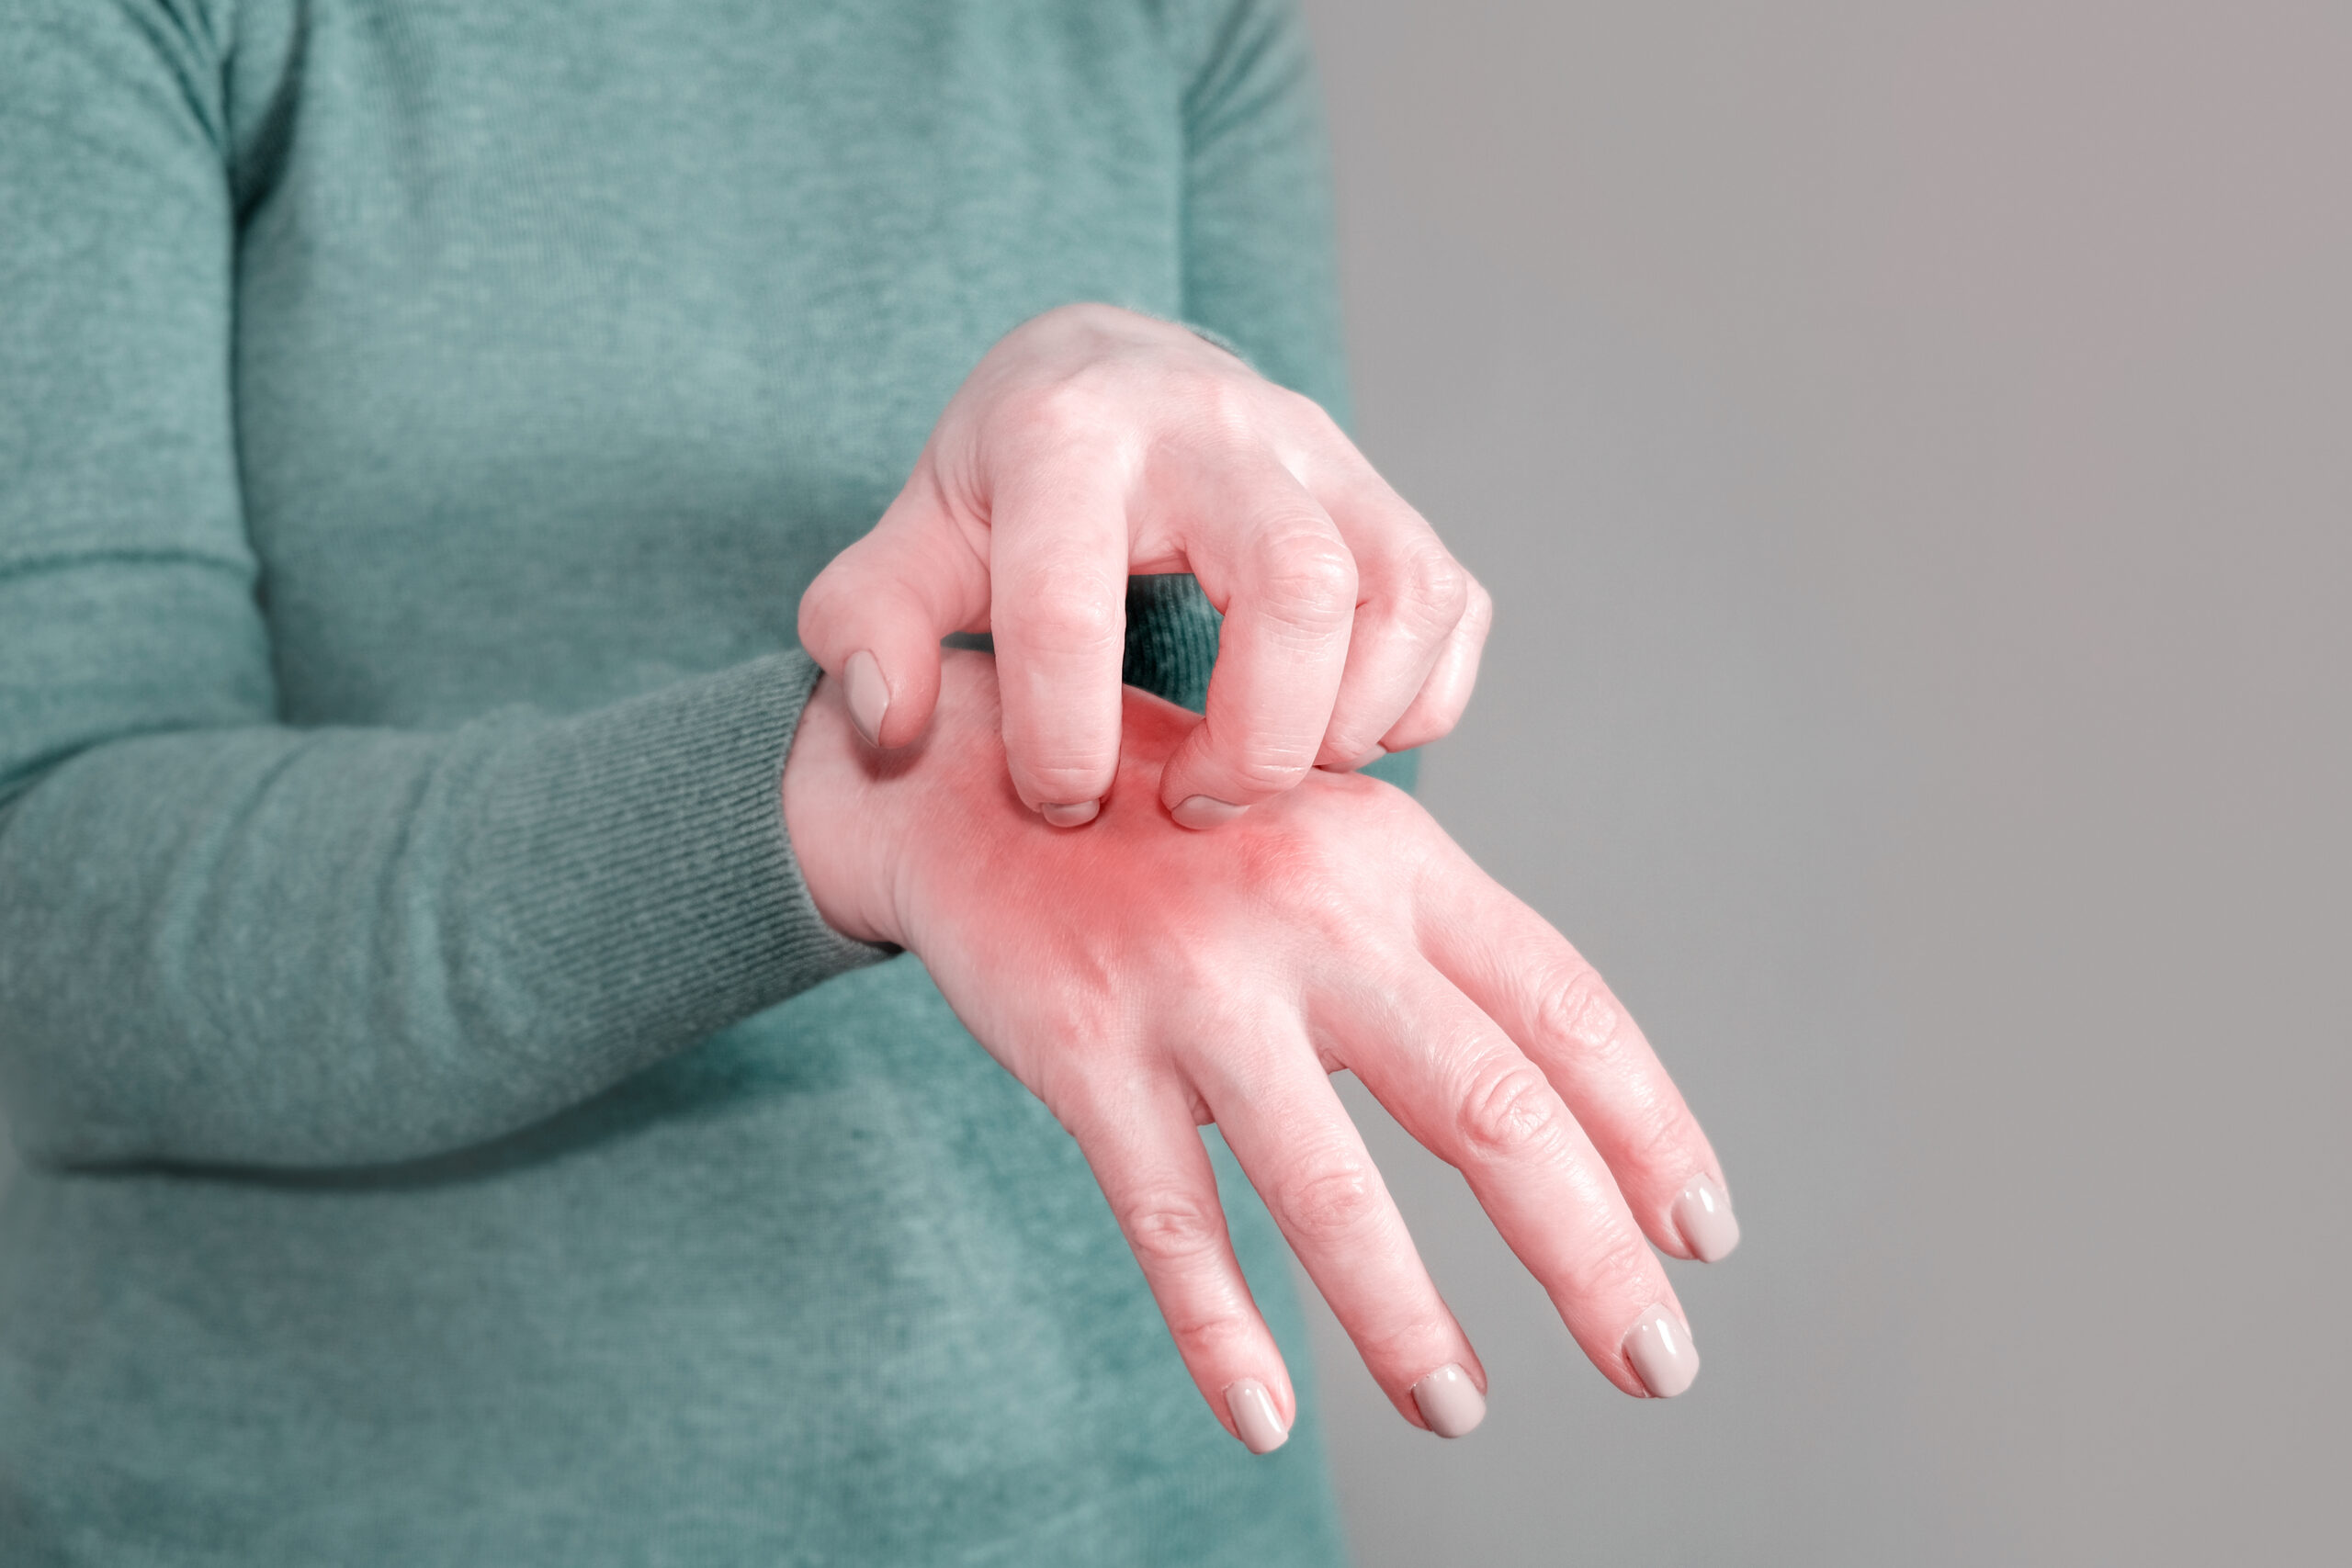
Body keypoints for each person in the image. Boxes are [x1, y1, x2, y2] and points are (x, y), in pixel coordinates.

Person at [0, 0, 1736, 1561]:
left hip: (1129, 1511)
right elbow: (52, 888)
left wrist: (1176, 493)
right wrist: (856, 795)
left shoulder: (1172, 26)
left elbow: (1296, 815)